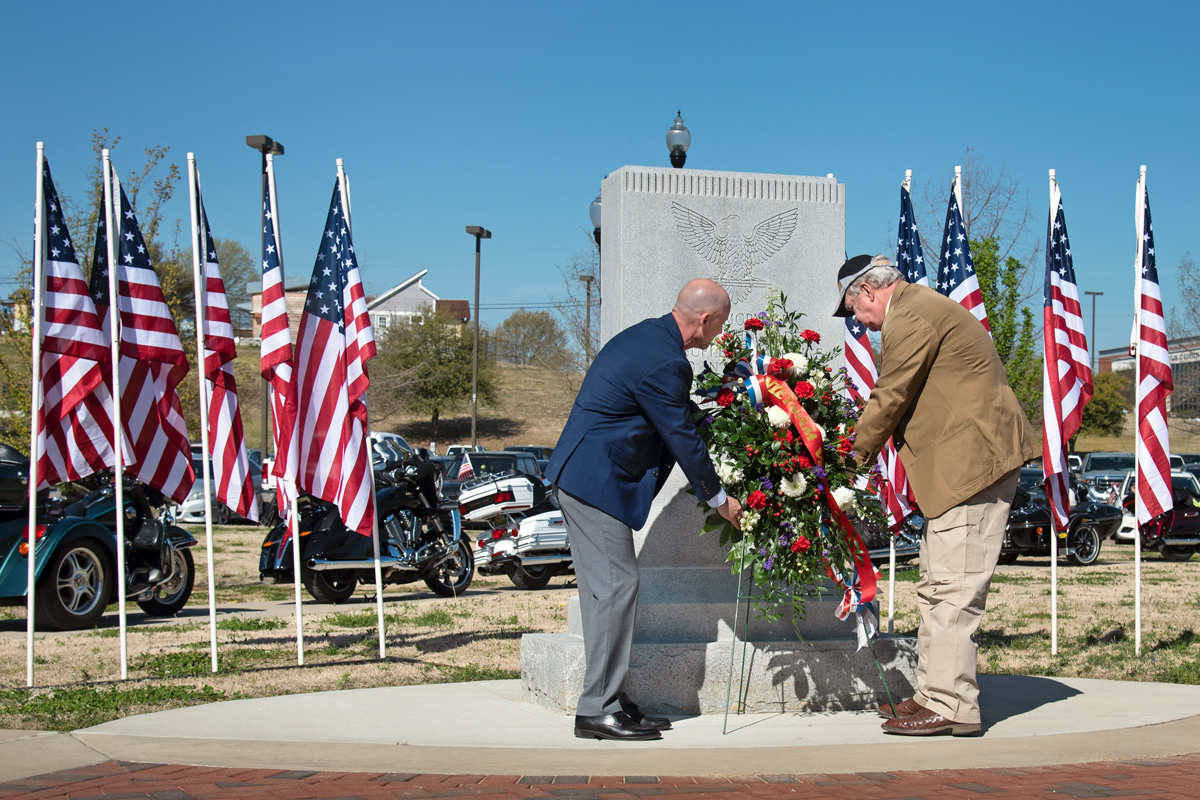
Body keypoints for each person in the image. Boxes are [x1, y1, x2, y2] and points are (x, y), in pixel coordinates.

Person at [835, 254, 1037, 737]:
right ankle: (933, 693)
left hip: (971, 466)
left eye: (853, 311)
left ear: (867, 291)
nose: (858, 323)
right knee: (936, 584)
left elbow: (891, 395)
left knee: (953, 589)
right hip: (959, 469)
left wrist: (844, 461)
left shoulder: (911, 315)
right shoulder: (919, 308)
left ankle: (953, 705)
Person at [546, 278, 744, 741]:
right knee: (617, 587)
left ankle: (609, 699)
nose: (718, 335)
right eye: (720, 326)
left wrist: (725, 405)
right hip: (594, 483)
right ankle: (597, 708)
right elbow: (680, 436)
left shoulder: (652, 339)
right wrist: (719, 499)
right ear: (705, 320)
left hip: (585, 477)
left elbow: (672, 414)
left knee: (608, 592)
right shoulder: (666, 359)